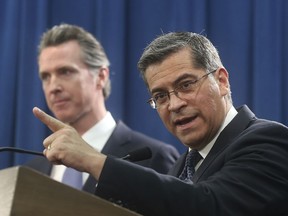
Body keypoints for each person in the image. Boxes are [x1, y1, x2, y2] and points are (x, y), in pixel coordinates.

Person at [32, 32, 288, 216]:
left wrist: (95, 161)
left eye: (186, 85)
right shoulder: (181, 166)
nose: (174, 104)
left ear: (221, 81)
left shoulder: (269, 139)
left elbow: (209, 206)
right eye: (160, 96)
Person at [26, 24, 179, 193]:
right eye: (45, 77)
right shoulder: (33, 170)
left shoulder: (154, 157)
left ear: (100, 76)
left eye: (65, 72)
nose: (53, 87)